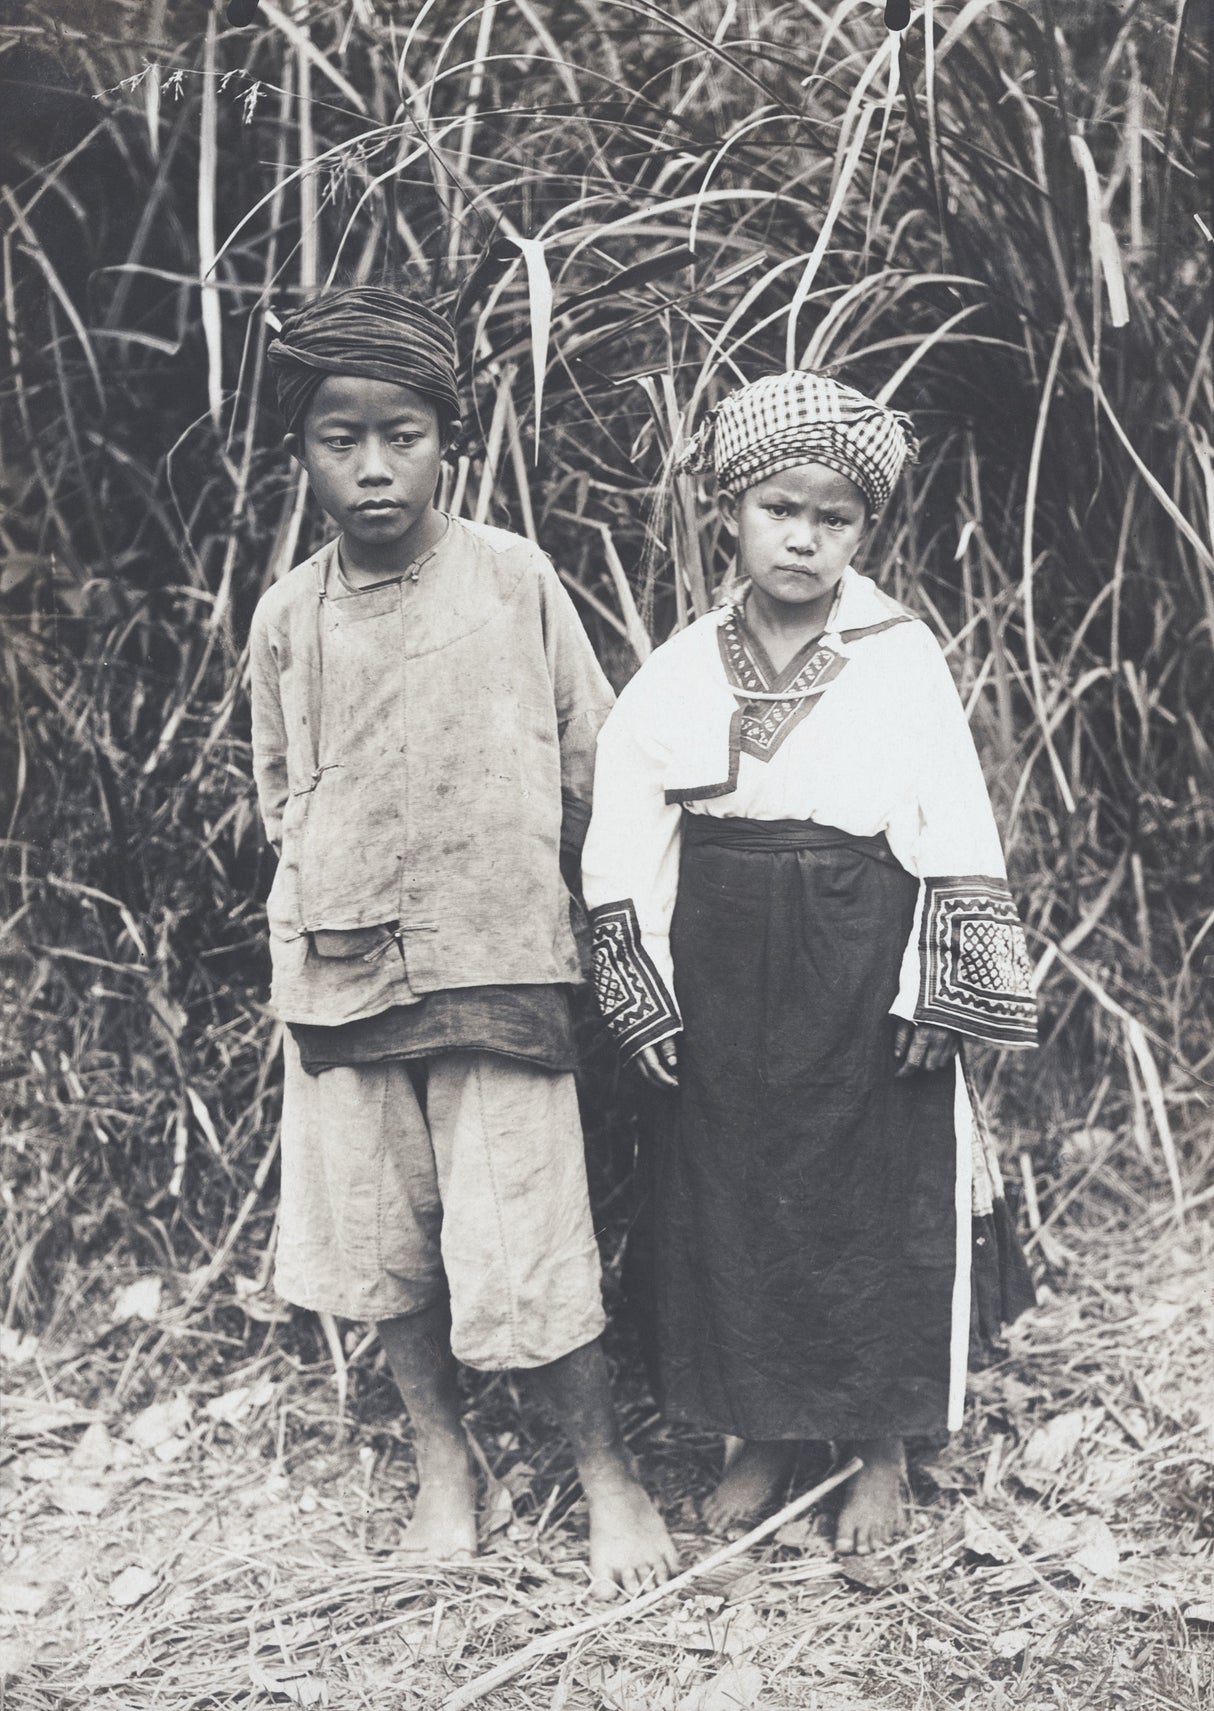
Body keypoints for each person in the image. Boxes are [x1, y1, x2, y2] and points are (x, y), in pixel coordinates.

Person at [248, 286, 676, 1594]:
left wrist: (629, 931)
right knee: (376, 1245)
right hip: (338, 974)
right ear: (301, 450)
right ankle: (446, 1462)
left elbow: (600, 763)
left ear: (451, 440)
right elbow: (281, 793)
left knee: (523, 1230)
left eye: (402, 433)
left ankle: (606, 1476)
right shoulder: (288, 616)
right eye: (338, 437)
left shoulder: (511, 580)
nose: (372, 466)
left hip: (496, 965)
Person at [581, 370, 1038, 1556]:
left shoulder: (896, 653)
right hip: (720, 951)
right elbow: (629, 824)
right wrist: (641, 986)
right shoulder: (680, 665)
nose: (803, 535)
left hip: (859, 940)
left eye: (833, 517)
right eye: (779, 508)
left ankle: (876, 1446)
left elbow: (950, 808)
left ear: (862, 531)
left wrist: (938, 977)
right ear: (728, 512)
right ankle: (765, 1429)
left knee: (867, 1188)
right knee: (728, 1186)